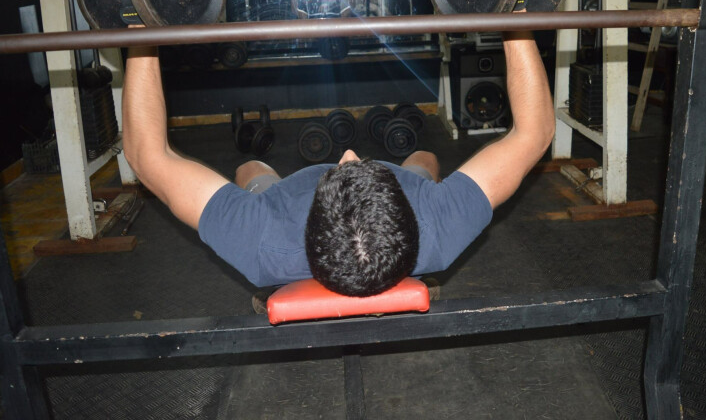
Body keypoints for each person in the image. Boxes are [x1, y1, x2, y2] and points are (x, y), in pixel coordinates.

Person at [122, 27, 554, 299]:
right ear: (404, 209)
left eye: (343, 168)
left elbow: (146, 156)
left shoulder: (263, 238)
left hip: (280, 205)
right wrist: (516, 19)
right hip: (410, 206)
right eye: (360, 164)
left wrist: (142, 34)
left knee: (250, 169)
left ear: (309, 217)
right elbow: (535, 134)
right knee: (425, 158)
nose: (348, 154)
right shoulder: (439, 224)